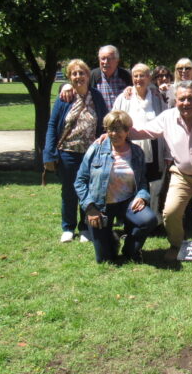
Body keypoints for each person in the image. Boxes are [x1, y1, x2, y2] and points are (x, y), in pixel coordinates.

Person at [127, 80, 192, 263]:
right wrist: (116, 132)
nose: (186, 103)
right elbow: (142, 131)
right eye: (182, 99)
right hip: (182, 175)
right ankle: (176, 245)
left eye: (191, 98)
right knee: (170, 212)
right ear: (175, 100)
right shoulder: (167, 118)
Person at [74, 110, 158, 263]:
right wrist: (90, 208)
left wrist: (142, 195)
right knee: (104, 260)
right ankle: (111, 238)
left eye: (119, 129)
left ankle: (130, 249)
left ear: (127, 131)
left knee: (149, 220)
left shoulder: (137, 152)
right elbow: (80, 181)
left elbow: (142, 181)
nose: (114, 133)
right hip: (100, 206)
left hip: (126, 202)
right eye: (110, 129)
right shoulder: (96, 149)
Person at [44, 59, 109, 243]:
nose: (78, 77)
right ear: (69, 77)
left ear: (88, 76)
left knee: (88, 190)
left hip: (91, 154)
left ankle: (85, 226)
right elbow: (52, 125)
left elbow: (104, 123)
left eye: (82, 73)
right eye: (74, 74)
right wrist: (49, 154)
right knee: (69, 191)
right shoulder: (64, 97)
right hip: (67, 153)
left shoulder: (96, 96)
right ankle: (68, 227)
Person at [112, 63, 167, 217]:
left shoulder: (156, 97)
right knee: (132, 181)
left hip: (154, 147)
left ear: (149, 77)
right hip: (131, 147)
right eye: (135, 75)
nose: (138, 79)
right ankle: (132, 216)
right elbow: (115, 120)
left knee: (154, 183)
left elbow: (166, 122)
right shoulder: (124, 98)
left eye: (142, 75)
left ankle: (154, 216)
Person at [59, 45, 133, 109]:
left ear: (117, 60)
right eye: (102, 58)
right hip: (100, 123)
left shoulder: (127, 76)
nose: (105, 62)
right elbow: (77, 84)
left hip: (122, 122)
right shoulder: (92, 76)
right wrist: (66, 86)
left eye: (109, 58)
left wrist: (133, 89)